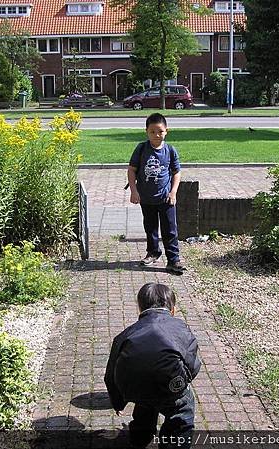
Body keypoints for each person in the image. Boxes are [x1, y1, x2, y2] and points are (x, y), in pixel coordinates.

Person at [105, 283, 200, 449]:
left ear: (139, 308)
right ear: (173, 310)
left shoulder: (126, 334)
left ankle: (140, 439)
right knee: (182, 410)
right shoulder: (180, 328)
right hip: (170, 385)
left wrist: (118, 402)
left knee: (145, 402)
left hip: (134, 387)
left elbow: (110, 373)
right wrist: (186, 378)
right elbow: (192, 361)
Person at [128, 113, 186, 274]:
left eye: (160, 131)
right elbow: (132, 170)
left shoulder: (170, 150)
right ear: (146, 132)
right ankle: (153, 252)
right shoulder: (141, 149)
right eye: (152, 132)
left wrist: (173, 192)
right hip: (146, 198)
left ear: (167, 131)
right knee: (150, 227)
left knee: (170, 229)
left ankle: (173, 260)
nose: (156, 135)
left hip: (166, 198)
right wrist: (134, 190)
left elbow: (176, 173)